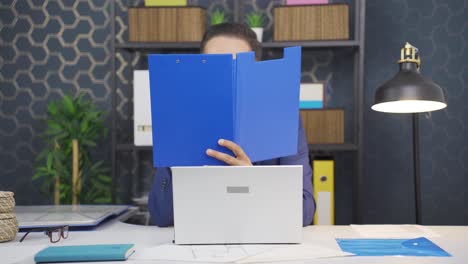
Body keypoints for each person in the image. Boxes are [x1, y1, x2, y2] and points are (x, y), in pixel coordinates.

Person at [148, 22, 316, 227]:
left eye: (234, 68)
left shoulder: (283, 119)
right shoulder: (180, 118)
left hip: (262, 243)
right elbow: (161, 216)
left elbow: (304, 212)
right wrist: (175, 157)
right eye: (213, 66)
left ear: (253, 73)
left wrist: (253, 180)